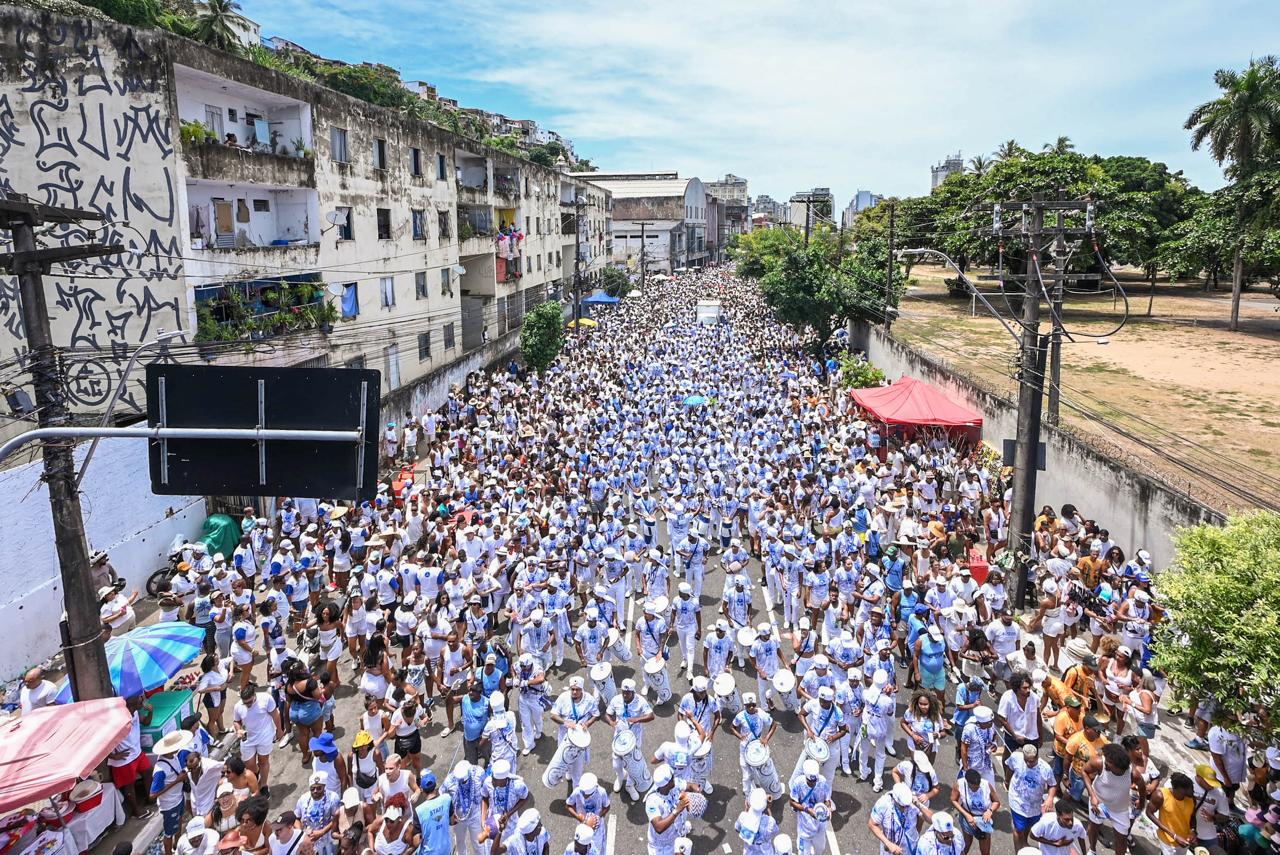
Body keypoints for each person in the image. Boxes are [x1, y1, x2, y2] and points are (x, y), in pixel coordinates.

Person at [1004, 743, 1057, 851]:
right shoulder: (1015, 757)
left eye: (1032, 761)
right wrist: (1007, 780)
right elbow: (1010, 768)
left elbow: (1052, 784)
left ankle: (1024, 842)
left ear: (1037, 756)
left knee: (1029, 826)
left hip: (1035, 805)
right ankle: (1019, 851)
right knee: (1019, 829)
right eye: (1026, 760)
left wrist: (1050, 798)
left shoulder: (1045, 768)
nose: (1029, 763)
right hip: (1017, 800)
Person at [108, 695, 153, 819]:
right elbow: (105, 740)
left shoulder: (136, 713)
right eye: (139, 699)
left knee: (148, 771)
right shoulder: (118, 720)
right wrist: (113, 755)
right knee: (129, 785)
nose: (142, 699)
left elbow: (147, 722)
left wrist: (150, 711)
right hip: (124, 758)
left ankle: (151, 796)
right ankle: (136, 810)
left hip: (137, 752)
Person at [151, 730, 195, 855]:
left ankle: (177, 845)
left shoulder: (173, 757)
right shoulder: (160, 769)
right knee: (169, 832)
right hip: (169, 804)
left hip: (178, 798)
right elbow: (153, 795)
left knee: (179, 821)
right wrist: (177, 781)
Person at [789, 758, 834, 855]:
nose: (813, 783)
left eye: (814, 781)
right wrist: (807, 810)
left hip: (820, 825)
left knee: (820, 850)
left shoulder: (822, 781)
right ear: (805, 776)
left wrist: (828, 809)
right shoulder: (798, 783)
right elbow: (792, 802)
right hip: (804, 827)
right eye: (810, 781)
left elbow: (827, 799)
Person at [950, 768, 1000, 855]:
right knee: (966, 845)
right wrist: (966, 815)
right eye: (973, 787)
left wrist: (990, 811)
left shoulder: (986, 785)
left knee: (985, 851)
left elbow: (996, 802)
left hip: (983, 820)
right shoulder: (959, 784)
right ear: (967, 783)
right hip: (968, 818)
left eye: (977, 786)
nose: (975, 789)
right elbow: (953, 800)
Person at [1146, 773, 1198, 855]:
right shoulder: (1160, 795)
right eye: (1189, 789)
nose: (1192, 791)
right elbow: (1149, 813)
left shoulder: (1192, 799)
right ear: (1179, 789)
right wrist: (1173, 835)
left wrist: (1193, 830)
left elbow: (1192, 816)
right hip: (1168, 841)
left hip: (1184, 841)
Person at [414, 771, 452, 855]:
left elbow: (416, 842)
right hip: (446, 850)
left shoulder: (419, 810)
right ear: (435, 786)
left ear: (422, 789)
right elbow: (452, 821)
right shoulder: (447, 799)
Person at [736, 787, 780, 855]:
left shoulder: (743, 817)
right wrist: (768, 809)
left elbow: (737, 829)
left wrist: (746, 809)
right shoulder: (770, 822)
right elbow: (774, 831)